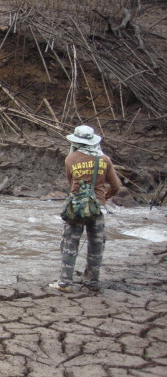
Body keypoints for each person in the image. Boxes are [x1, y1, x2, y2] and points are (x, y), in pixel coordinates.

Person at [49, 125, 122, 293]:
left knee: (70, 243)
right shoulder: (104, 160)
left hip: (76, 207)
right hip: (97, 207)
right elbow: (116, 186)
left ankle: (65, 282)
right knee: (96, 244)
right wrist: (106, 196)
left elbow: (71, 182)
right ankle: (92, 282)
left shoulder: (70, 159)